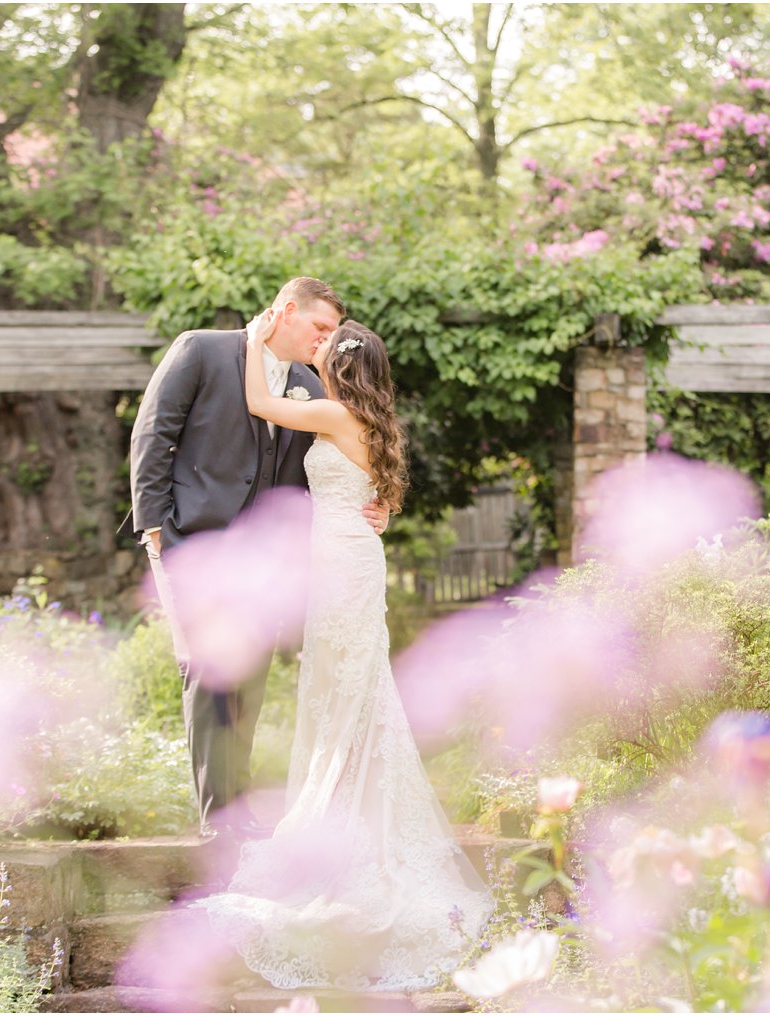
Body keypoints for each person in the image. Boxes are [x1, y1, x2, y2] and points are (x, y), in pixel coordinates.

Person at [194, 314, 493, 990]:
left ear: (340, 363)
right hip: (351, 557)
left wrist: (251, 342)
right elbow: (379, 493)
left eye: (323, 346)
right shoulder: (366, 420)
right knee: (348, 686)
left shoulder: (330, 412)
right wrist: (382, 506)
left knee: (345, 687)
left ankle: (341, 816)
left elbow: (260, 404)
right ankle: (348, 807)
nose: (315, 350)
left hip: (341, 564)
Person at [128, 277, 389, 837]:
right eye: (320, 327)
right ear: (286, 311)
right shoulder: (202, 349)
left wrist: (379, 505)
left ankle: (240, 808)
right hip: (194, 541)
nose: (325, 340)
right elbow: (154, 433)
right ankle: (218, 819)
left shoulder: (308, 384)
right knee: (209, 671)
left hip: (266, 562)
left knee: (249, 680)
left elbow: (348, 457)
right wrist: (155, 526)